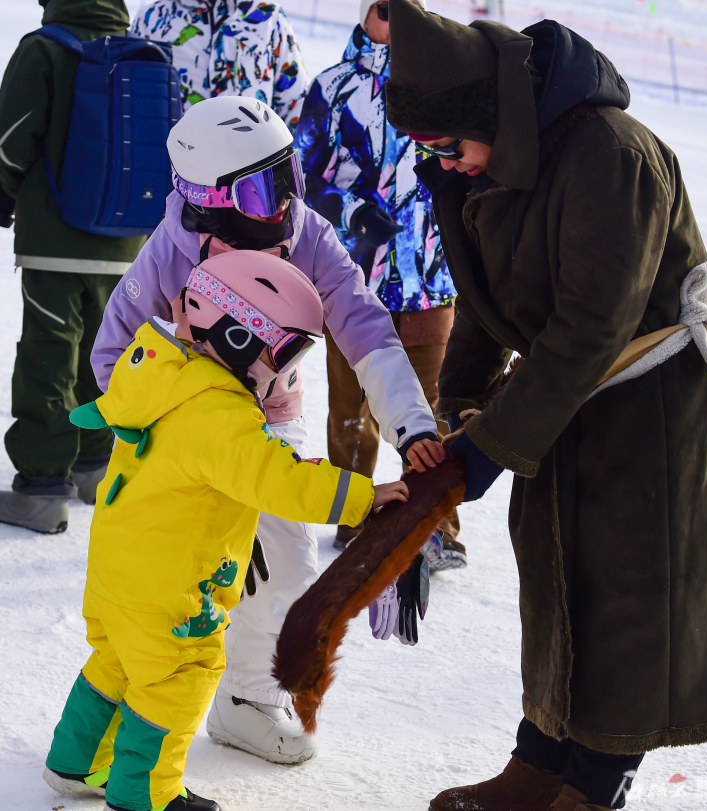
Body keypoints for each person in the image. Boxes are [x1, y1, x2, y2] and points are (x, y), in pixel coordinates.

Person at [384, 1, 707, 809]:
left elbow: (591, 325)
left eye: (445, 144)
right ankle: (539, 761)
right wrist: (460, 408)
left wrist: (490, 447)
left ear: (487, 112)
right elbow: (482, 301)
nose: (444, 162)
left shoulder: (611, 154)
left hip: (654, 412)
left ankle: (596, 786)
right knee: (559, 583)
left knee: (631, 605)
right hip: (562, 403)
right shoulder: (486, 162)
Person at [91, 94, 445, 765]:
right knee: (163, 578)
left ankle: (247, 700)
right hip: (178, 442)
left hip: (270, 426)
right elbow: (112, 358)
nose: (280, 204)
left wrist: (412, 425)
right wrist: (168, 435)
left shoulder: (305, 233)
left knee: (287, 565)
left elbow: (363, 323)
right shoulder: (171, 251)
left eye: (286, 178)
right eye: (259, 191)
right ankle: (122, 700)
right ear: (207, 197)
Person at [43, 249, 410, 811]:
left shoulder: (160, 376)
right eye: (284, 354)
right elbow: (279, 479)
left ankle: (76, 761)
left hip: (120, 575)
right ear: (240, 337)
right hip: (174, 592)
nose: (283, 374)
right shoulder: (220, 415)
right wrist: (363, 495)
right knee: (178, 679)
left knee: (116, 661)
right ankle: (146, 794)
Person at [295, 0, 465, 567]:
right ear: (367, 14)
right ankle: (355, 511)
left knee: (434, 404)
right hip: (352, 278)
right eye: (386, 9)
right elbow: (299, 176)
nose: (396, 22)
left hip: (432, 277)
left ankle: (435, 524)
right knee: (352, 406)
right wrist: (350, 212)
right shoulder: (333, 86)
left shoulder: (446, 86)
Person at [0, 0, 147, 534]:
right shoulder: (140, 54)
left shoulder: (44, 50)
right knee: (103, 354)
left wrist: (4, 195)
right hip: (128, 241)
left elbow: (10, 137)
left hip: (55, 237)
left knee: (48, 353)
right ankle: (94, 467)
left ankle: (41, 488)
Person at [131, 0, 309, 129]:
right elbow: (134, 104)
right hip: (176, 169)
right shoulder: (153, 19)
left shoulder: (269, 17)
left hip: (252, 170)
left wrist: (283, 171)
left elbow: (296, 104)